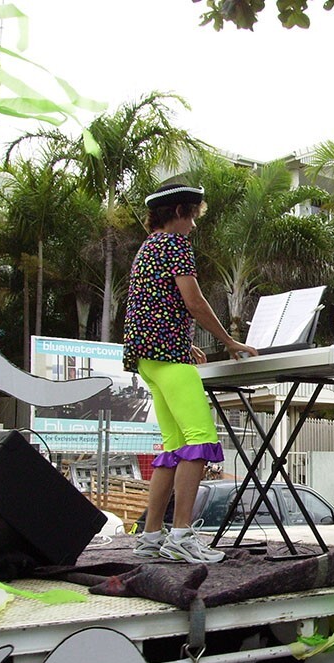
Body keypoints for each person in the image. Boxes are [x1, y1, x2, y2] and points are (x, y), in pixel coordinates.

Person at [123, 182, 257, 563]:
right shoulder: (176, 245)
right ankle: (181, 534)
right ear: (180, 212)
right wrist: (231, 342)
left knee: (173, 448)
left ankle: (151, 536)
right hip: (168, 358)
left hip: (149, 358)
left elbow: (155, 305)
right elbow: (193, 302)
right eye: (194, 216)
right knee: (199, 440)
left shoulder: (148, 247)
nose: (195, 226)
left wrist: (183, 344)